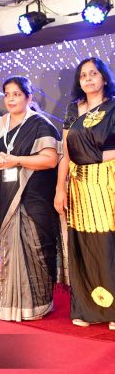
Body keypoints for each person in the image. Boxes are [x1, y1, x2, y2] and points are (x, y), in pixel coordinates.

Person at [0, 76, 62, 321]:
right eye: (7, 94)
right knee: (10, 246)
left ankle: (39, 304)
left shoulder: (41, 124)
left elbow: (50, 160)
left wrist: (16, 160)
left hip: (34, 195)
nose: (11, 99)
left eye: (16, 94)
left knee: (36, 244)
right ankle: (10, 305)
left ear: (29, 97)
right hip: (6, 193)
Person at [54, 57, 115, 330]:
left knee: (107, 242)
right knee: (81, 243)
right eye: (83, 75)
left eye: (93, 74)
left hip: (107, 183)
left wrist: (96, 158)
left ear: (104, 78)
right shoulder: (73, 109)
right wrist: (60, 188)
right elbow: (66, 153)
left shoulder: (113, 107)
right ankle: (86, 309)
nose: (88, 79)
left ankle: (112, 310)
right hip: (78, 186)